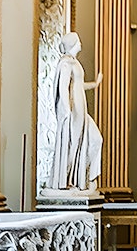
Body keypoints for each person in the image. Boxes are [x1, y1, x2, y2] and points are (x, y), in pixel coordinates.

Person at [50, 32, 103, 191]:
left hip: (81, 109)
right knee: (72, 145)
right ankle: (65, 180)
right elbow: (63, 89)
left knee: (95, 139)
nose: (80, 44)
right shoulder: (65, 64)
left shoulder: (75, 63)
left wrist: (95, 84)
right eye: (78, 42)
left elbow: (78, 86)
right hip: (73, 110)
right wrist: (66, 110)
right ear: (72, 44)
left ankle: (87, 177)